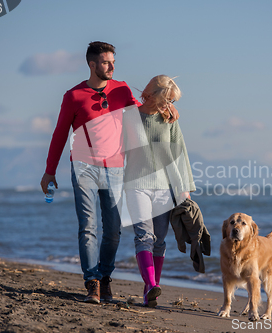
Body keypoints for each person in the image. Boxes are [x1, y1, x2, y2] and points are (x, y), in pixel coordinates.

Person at [40, 42, 179, 304]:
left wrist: (166, 107)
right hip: (83, 167)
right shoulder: (73, 96)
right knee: (88, 227)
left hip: (115, 167)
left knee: (114, 230)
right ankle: (91, 282)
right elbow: (59, 134)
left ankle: (105, 278)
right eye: (106, 62)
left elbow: (143, 111)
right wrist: (49, 171)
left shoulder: (122, 89)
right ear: (92, 65)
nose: (112, 66)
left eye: (113, 61)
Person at [123, 75, 196, 307]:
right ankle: (153, 285)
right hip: (136, 185)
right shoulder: (129, 116)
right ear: (154, 94)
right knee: (144, 236)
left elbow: (180, 153)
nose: (170, 105)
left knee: (160, 241)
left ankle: (149, 290)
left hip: (165, 187)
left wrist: (185, 189)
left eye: (173, 101)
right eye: (168, 99)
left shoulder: (169, 120)